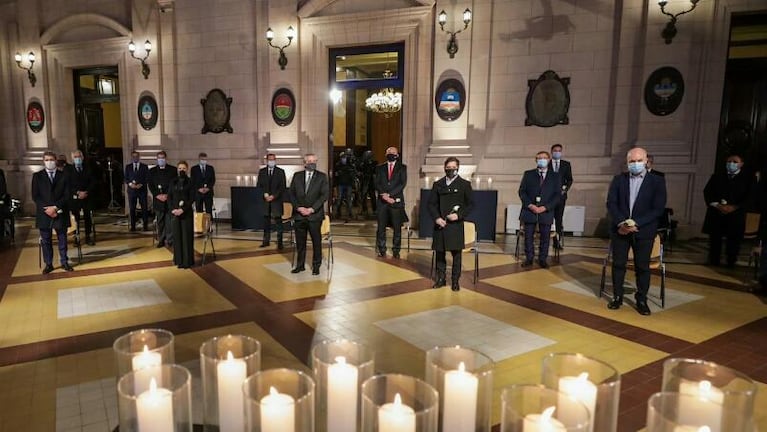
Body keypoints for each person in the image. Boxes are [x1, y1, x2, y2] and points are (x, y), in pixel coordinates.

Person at [606, 147, 667, 315]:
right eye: (632, 161)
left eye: (639, 160)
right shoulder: (619, 180)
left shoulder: (657, 181)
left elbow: (658, 208)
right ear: (627, 163)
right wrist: (622, 223)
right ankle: (617, 297)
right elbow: (611, 203)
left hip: (644, 231)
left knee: (642, 267)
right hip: (621, 230)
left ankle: (641, 299)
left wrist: (636, 224)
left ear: (646, 161)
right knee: (618, 264)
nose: (635, 164)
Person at [428, 157, 474, 291]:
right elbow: (431, 204)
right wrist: (436, 218)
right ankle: (441, 279)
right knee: (440, 254)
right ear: (444, 168)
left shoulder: (464, 184)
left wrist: (458, 215)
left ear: (458, 168)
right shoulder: (438, 184)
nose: (450, 170)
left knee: (456, 256)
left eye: (453, 167)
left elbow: (470, 205)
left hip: (455, 226)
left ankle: (455, 281)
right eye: (448, 168)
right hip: (440, 225)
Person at [702, 154, 755, 267]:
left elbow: (751, 196)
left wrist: (735, 207)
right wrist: (718, 205)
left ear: (741, 164)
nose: (731, 164)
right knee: (715, 239)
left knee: (734, 239)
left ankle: (731, 260)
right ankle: (714, 260)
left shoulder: (748, 178)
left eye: (735, 162)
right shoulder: (717, 176)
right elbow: (708, 192)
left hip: (736, 214)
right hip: (717, 212)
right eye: (729, 161)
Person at [32, 151, 74, 274]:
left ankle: (64, 262)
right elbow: (35, 196)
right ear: (43, 161)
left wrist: (55, 207)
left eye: (51, 159)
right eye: (46, 159)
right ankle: (48, 264)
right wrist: (47, 209)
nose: (49, 162)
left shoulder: (64, 175)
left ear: (55, 160)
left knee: (62, 239)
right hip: (44, 213)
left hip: (60, 211)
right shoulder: (37, 176)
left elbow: (67, 195)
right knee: (46, 240)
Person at [289, 153, 329, 275]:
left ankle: (316, 265)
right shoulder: (297, 176)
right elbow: (291, 194)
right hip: (299, 215)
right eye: (309, 161)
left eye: (314, 161)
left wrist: (311, 209)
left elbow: (324, 195)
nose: (312, 163)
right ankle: (300, 265)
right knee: (300, 243)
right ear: (304, 162)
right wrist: (298, 208)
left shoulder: (322, 177)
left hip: (314, 215)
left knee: (316, 242)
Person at [519, 151, 561, 268]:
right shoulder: (528, 174)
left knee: (545, 237)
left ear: (548, 160)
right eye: (539, 158)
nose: (541, 160)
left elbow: (557, 195)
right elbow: (522, 192)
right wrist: (530, 205)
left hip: (546, 211)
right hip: (529, 210)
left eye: (544, 158)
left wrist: (545, 207)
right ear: (536, 160)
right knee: (528, 236)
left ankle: (542, 259)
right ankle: (529, 258)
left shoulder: (555, 176)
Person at [374, 147, 407, 258]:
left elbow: (402, 184)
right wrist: (384, 195)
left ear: (397, 155)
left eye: (393, 153)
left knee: (397, 228)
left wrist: (390, 195)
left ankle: (396, 250)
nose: (391, 154)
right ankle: (382, 249)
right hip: (382, 202)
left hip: (395, 201)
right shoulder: (379, 168)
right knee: (381, 227)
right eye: (389, 152)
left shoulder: (402, 168)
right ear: (385, 154)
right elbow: (377, 183)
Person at [64, 150, 97, 245]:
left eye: (79, 156)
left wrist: (86, 192)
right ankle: (76, 236)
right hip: (74, 198)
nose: (77, 159)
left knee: (88, 217)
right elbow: (67, 184)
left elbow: (93, 182)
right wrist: (78, 192)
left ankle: (88, 236)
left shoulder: (88, 168)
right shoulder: (68, 170)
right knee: (75, 218)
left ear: (82, 157)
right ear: (72, 159)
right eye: (75, 157)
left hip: (87, 196)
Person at [256, 153, 287, 249]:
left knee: (278, 223)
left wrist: (274, 196)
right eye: (269, 160)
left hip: (276, 201)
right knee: (266, 222)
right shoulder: (262, 172)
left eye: (273, 160)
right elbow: (259, 186)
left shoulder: (280, 172)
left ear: (275, 160)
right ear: (266, 160)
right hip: (265, 202)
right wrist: (264, 194)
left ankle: (280, 242)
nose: (271, 161)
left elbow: (282, 187)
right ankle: (266, 241)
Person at [168, 161, 195, 268]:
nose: (181, 170)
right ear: (177, 169)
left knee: (186, 237)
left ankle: (187, 261)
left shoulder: (191, 181)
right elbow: (169, 197)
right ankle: (179, 261)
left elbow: (192, 198)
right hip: (175, 213)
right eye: (179, 168)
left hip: (186, 214)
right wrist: (173, 209)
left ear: (187, 169)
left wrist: (182, 209)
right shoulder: (173, 181)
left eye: (183, 168)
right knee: (177, 237)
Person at [148, 151, 177, 248]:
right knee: (160, 221)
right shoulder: (152, 171)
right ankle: (161, 239)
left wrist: (167, 195)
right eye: (159, 158)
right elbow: (150, 185)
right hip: (158, 200)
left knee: (169, 221)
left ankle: (170, 240)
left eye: (163, 157)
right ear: (157, 159)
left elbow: (174, 184)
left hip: (169, 200)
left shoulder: (173, 170)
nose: (161, 159)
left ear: (166, 158)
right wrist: (157, 195)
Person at [548, 144, 573, 249]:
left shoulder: (566, 164)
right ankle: (546, 238)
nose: (557, 152)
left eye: (559, 151)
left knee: (558, 219)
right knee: (549, 218)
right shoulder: (547, 164)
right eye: (555, 151)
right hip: (548, 197)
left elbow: (570, 179)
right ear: (551, 151)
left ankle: (556, 241)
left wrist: (565, 189)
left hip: (561, 197)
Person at [125, 150, 149, 231]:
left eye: (136, 156)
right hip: (132, 191)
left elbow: (147, 178)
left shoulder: (144, 167)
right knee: (132, 209)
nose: (135, 158)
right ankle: (133, 226)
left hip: (142, 190)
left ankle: (145, 225)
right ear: (132, 157)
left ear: (139, 157)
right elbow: (126, 179)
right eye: (133, 156)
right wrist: (131, 185)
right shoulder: (128, 167)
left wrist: (141, 184)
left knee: (144, 208)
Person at [334, 152, 356, 220]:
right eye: (342, 158)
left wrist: (353, 185)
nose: (343, 160)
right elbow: (336, 175)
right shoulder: (338, 165)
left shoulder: (350, 165)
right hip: (341, 184)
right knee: (339, 199)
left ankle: (350, 213)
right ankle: (338, 213)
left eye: (345, 158)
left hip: (348, 184)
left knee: (348, 199)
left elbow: (353, 175)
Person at [358, 150, 378, 216]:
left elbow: (375, 172)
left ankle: (374, 210)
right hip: (364, 181)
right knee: (363, 196)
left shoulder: (374, 163)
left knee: (373, 197)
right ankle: (364, 210)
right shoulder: (362, 163)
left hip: (371, 182)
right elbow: (359, 171)